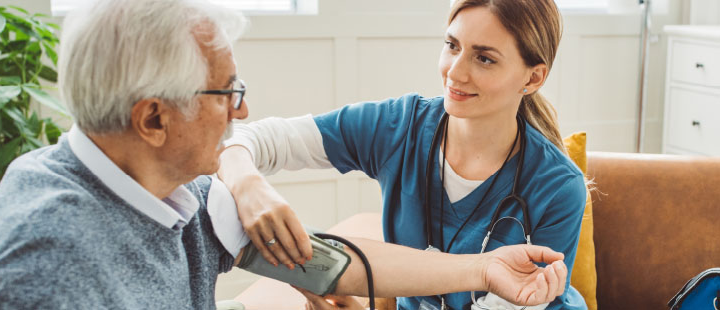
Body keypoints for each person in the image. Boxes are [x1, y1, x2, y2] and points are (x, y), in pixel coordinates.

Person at [0, 0, 571, 308]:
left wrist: (482, 269)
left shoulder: (177, 196)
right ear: (153, 118)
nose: (242, 113)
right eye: (227, 93)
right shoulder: (46, 265)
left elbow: (326, 262)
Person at [218, 0, 588, 309]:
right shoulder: (400, 127)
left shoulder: (558, 188)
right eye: (452, 45)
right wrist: (248, 184)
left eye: (484, 59)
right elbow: (248, 139)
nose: (454, 73)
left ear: (533, 78)